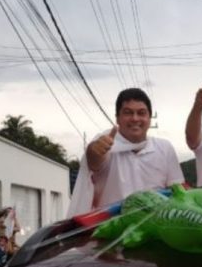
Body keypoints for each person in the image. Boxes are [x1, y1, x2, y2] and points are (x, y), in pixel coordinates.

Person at [67, 88, 185, 217]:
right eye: (128, 113)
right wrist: (95, 150)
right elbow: (94, 160)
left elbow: (178, 192)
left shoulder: (165, 148)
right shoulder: (106, 143)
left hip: (155, 230)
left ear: (149, 118)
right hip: (110, 230)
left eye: (141, 113)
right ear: (117, 118)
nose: (135, 118)